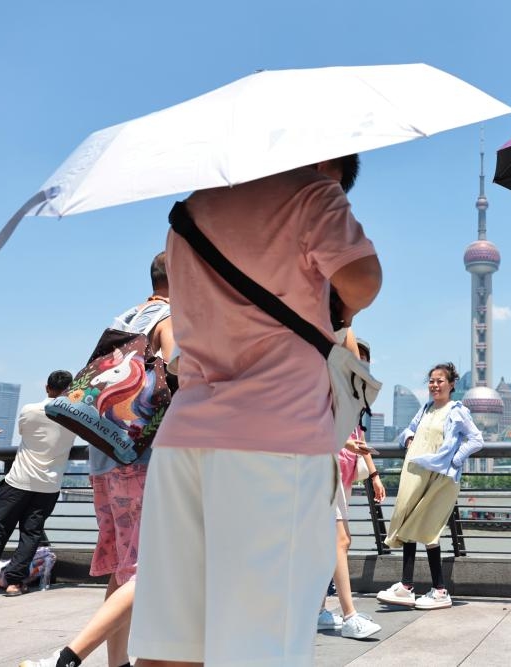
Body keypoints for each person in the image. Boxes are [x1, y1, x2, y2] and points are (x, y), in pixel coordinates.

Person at [127, 154, 381, 667]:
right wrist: (338, 308)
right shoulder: (313, 193)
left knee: (171, 640)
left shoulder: (189, 213)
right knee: (264, 645)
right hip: (276, 436)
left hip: (183, 438)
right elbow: (363, 281)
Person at [20, 252, 175, 667]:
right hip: (140, 456)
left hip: (104, 455)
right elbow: (180, 367)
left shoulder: (125, 316)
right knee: (152, 569)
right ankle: (66, 656)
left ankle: (117, 663)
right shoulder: (169, 317)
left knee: (124, 569)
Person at [376, 362, 484, 611]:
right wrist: (409, 438)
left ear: (452, 384)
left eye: (440, 381)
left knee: (428, 527)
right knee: (409, 521)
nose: (435, 385)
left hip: (441, 479)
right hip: (416, 472)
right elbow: (408, 431)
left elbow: (476, 439)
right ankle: (408, 586)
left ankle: (438, 590)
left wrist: (456, 459)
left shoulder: (457, 411)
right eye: (432, 381)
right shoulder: (425, 408)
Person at [317, 334, 386, 640]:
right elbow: (318, 422)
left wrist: (373, 474)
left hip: (334, 467)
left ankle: (318, 610)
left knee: (331, 541)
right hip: (322, 464)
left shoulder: (346, 391)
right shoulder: (328, 383)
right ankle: (349, 615)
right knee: (339, 539)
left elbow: (357, 435)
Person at [0, 370, 75, 596]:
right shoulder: (74, 418)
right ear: (70, 390)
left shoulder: (30, 410)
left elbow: (24, 432)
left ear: (47, 388)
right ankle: (14, 583)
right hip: (48, 486)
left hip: (19, 481)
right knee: (31, 533)